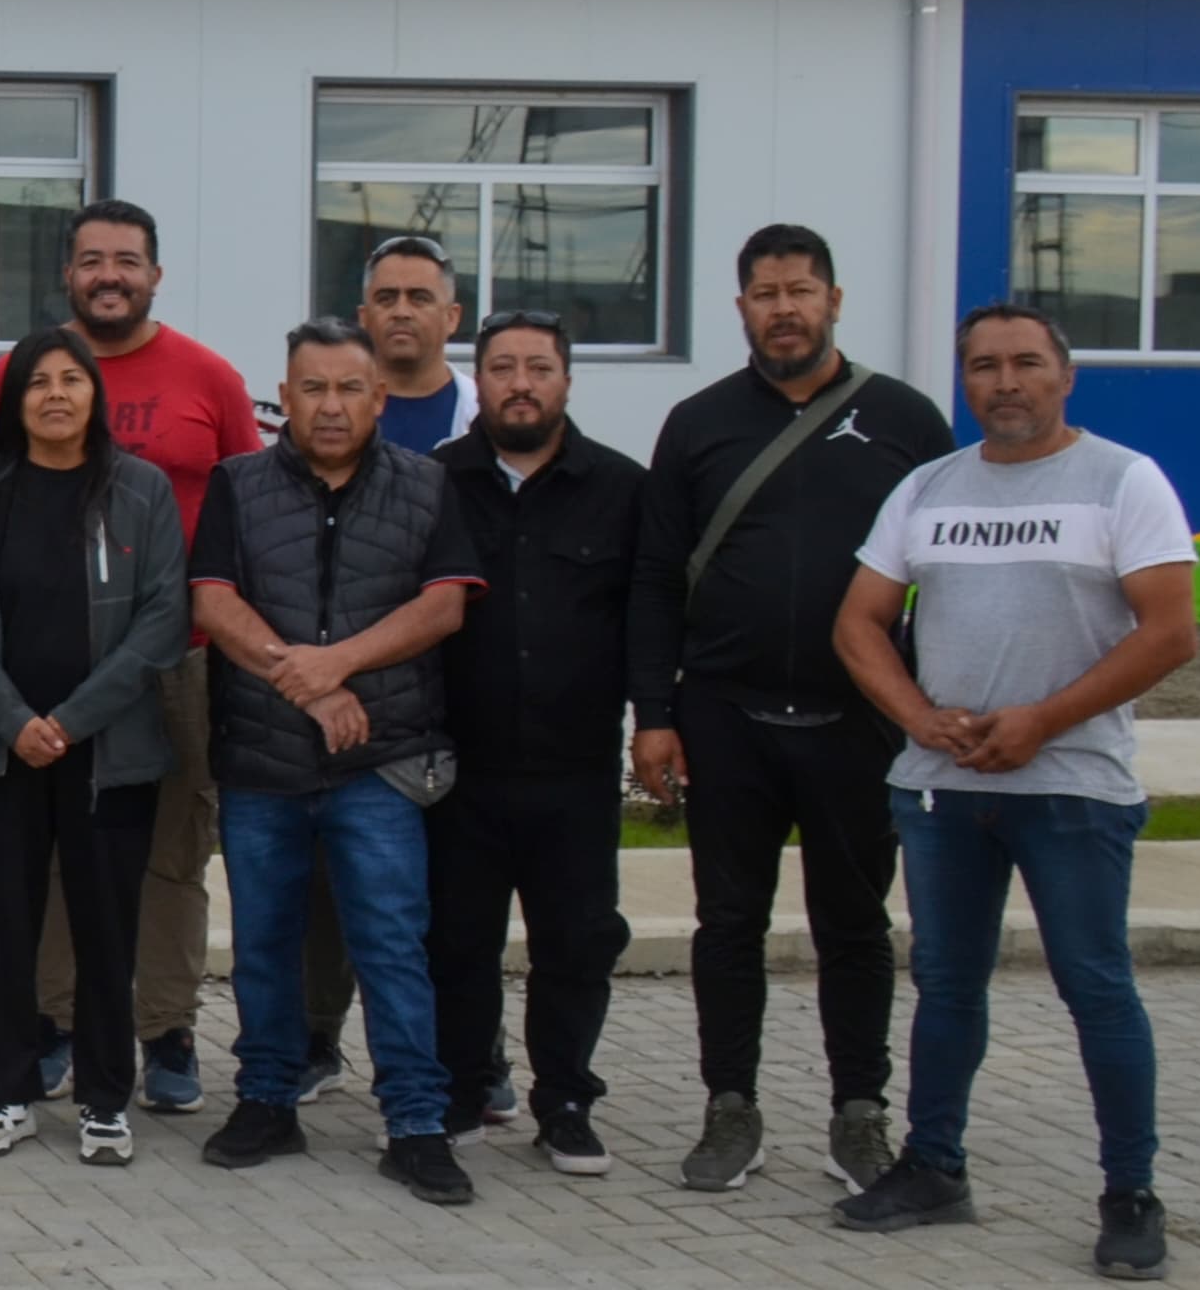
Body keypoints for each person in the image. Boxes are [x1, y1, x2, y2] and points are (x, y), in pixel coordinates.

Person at [830, 304, 1195, 1280]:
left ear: (1062, 375)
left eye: (1024, 363)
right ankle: (933, 1167)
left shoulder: (1123, 480)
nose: (1003, 383)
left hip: (1071, 786)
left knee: (1095, 987)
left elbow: (1167, 633)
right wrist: (913, 715)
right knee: (945, 985)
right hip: (942, 787)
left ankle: (1128, 1192)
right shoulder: (926, 488)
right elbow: (858, 623)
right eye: (982, 367)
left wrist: (1042, 717)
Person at [629, 223, 956, 1196]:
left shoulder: (904, 420)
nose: (782, 309)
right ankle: (729, 1109)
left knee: (852, 926)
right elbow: (653, 579)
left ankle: (859, 1112)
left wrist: (925, 708)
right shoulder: (696, 423)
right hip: (723, 717)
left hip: (856, 721)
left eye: (799, 291)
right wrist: (653, 713)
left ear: (832, 301)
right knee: (726, 923)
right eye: (764, 293)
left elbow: (943, 581)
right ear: (739, 309)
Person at [186, 317, 484, 1204]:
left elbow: (444, 608)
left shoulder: (428, 487)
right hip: (264, 761)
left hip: (381, 763)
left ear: (379, 399)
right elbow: (213, 599)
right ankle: (268, 1100)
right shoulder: (238, 484)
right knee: (265, 946)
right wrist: (309, 687)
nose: (330, 405)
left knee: (391, 943)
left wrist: (337, 665)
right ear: (285, 398)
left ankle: (417, 1123)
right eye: (311, 388)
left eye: (349, 388)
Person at [5, 199, 259, 1114]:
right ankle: (58, 1020)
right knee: (57, 851)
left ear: (155, 274)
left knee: (172, 849)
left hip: (177, 662)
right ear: (66, 275)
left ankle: (165, 1028)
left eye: (126, 260)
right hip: (48, 662)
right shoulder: (18, 373)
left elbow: (247, 515)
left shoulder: (211, 379)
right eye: (90, 260)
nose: (108, 275)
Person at [0, 325, 185, 1165]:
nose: (56, 395)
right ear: (17, 400)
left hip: (108, 753)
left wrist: (73, 719)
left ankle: (106, 1099)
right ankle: (6, 1092)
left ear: (94, 395)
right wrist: (16, 720)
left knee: (108, 926)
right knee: (8, 923)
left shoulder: (140, 489)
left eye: (73, 380)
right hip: (0, 750)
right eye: (38, 381)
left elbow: (161, 619)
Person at [429, 311, 643, 1175]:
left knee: (577, 942)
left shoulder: (624, 489)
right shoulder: (432, 482)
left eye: (539, 368)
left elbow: (650, 617)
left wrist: (659, 722)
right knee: (455, 942)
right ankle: (459, 1088)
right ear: (476, 382)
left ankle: (564, 1101)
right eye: (503, 367)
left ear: (566, 381)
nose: (521, 383)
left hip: (577, 768)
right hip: (458, 767)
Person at [359, 234, 480, 454]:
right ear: (363, 317)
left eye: (420, 298)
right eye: (386, 298)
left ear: (452, 318)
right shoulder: (335, 412)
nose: (401, 312)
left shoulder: (484, 412)